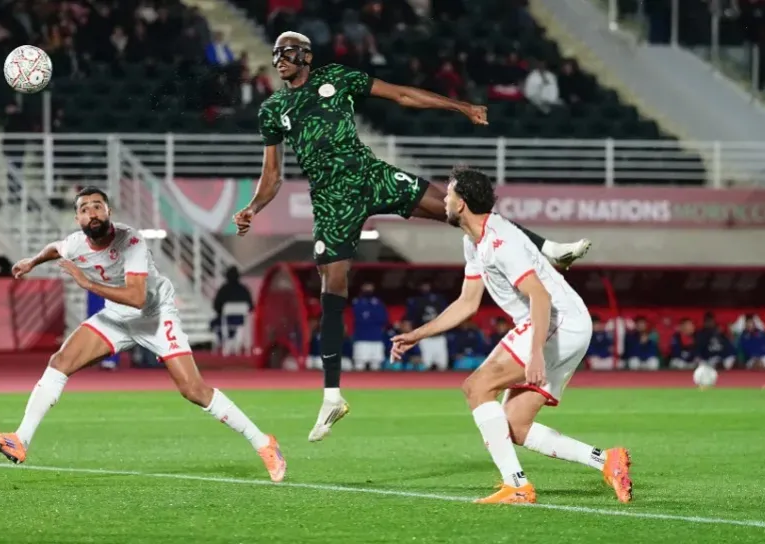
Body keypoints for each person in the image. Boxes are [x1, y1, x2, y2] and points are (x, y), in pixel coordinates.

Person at [232, 31, 593, 443]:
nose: (279, 58)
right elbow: (272, 175)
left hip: (371, 175)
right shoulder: (273, 109)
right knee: (332, 285)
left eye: (288, 51)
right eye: (276, 53)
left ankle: (548, 248)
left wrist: (460, 106)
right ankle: (332, 396)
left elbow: (401, 95)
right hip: (332, 200)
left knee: (462, 210)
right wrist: (253, 208)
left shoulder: (336, 77)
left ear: (307, 56)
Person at [0, 187, 286, 482]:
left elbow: (138, 298)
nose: (92, 213)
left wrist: (88, 284)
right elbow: (55, 247)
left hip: (154, 316)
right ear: (78, 219)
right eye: (85, 209)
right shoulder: (76, 243)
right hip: (117, 317)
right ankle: (20, 439)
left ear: (109, 211)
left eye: (98, 206)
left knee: (194, 390)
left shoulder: (131, 241)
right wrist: (32, 261)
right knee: (59, 362)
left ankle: (263, 442)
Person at [389, 167, 631, 504]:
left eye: (449, 194)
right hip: (559, 323)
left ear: (461, 204)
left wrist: (535, 354)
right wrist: (418, 334)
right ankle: (607, 461)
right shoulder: (474, 241)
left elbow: (540, 297)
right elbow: (467, 303)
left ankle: (516, 485)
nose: (443, 200)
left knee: (477, 387)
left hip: (558, 322)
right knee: (515, 425)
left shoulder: (500, 242)